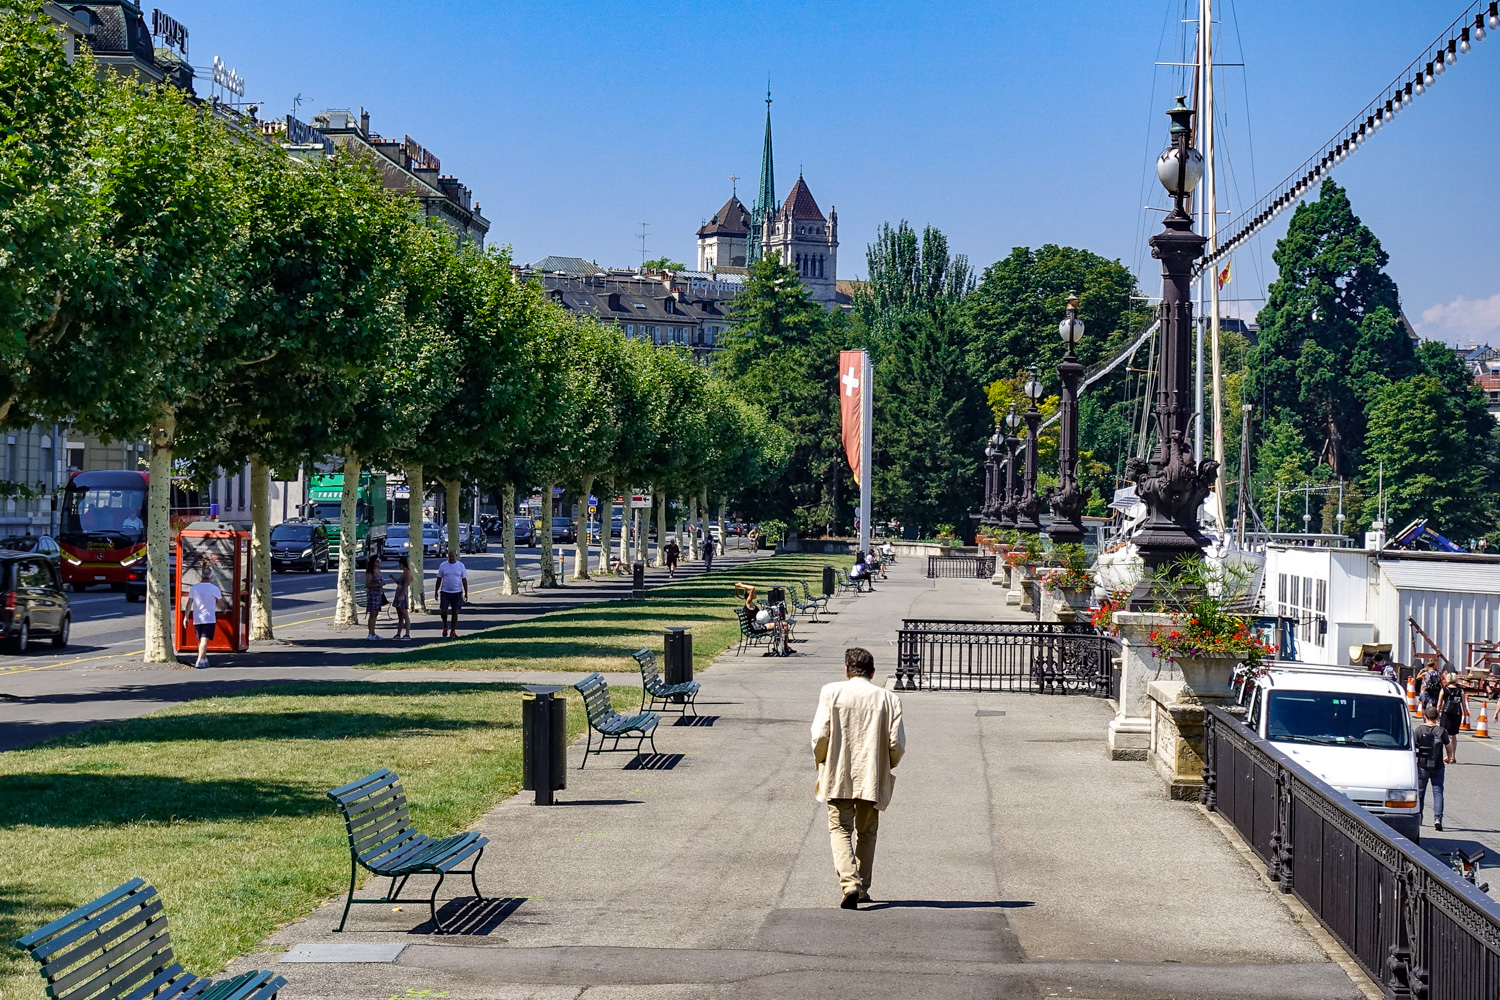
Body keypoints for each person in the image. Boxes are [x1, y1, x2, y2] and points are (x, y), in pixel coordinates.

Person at [811, 647, 906, 909]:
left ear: (846, 670)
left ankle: (849, 883)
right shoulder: (889, 698)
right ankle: (862, 887)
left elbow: (820, 735)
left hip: (838, 772)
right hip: (872, 774)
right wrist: (888, 764)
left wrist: (822, 758)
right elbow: (897, 744)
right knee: (867, 831)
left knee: (840, 828)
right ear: (872, 673)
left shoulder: (831, 692)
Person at [183, 567, 228, 669]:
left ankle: (204, 658)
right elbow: (221, 603)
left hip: (197, 617)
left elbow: (189, 604)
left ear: (201, 576)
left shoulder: (194, 588)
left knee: (200, 639)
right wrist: (224, 609)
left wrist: (186, 617)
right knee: (204, 639)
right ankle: (200, 660)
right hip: (208, 618)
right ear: (211, 577)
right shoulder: (214, 588)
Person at [1414, 705, 1450, 832]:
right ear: (1438, 717)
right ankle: (1437, 819)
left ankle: (1419, 817)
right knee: (1438, 791)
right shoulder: (1442, 731)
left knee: (1421, 792)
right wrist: (1449, 757)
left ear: (1425, 717)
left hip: (1423, 765)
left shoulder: (1419, 730)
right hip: (1438, 765)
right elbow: (1448, 746)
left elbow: (1413, 747)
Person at [435, 548, 468, 638]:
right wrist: (436, 591)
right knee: (443, 610)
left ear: (456, 556)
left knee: (455, 612)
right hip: (445, 592)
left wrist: (466, 593)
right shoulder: (443, 565)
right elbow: (439, 579)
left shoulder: (460, 566)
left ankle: (453, 630)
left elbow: (464, 580)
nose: (451, 558)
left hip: (457, 592)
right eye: (449, 556)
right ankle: (445, 624)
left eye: (453, 556)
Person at [1439, 671, 1467, 763]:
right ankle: (1453, 756)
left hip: (1446, 714)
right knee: (1453, 736)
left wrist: (1437, 715)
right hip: (1457, 714)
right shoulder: (1460, 691)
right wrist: (1465, 717)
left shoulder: (1444, 690)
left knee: (1445, 735)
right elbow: (1464, 705)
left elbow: (1439, 704)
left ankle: (1448, 755)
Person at [364, 555, 387, 640]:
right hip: (372, 594)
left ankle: (373, 632)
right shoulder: (370, 572)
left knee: (376, 614)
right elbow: (367, 585)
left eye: (379, 561)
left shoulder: (378, 571)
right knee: (372, 614)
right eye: (377, 561)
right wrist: (379, 585)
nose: (378, 563)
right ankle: (370, 633)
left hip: (378, 594)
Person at [392, 555, 413, 640]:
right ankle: (398, 633)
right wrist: (393, 578)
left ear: (402, 564)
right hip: (399, 593)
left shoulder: (407, 572)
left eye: (399, 564)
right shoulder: (403, 573)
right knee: (400, 616)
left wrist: (401, 595)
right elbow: (399, 583)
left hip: (402, 595)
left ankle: (407, 634)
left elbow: (405, 585)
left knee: (405, 615)